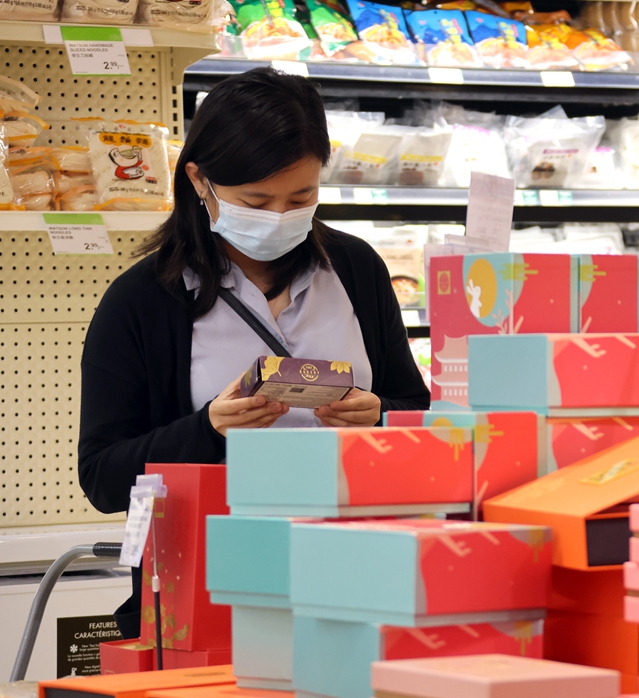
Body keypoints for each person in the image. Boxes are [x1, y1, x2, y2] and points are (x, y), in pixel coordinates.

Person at [78, 68, 431, 639]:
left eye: (301, 197)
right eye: (256, 200)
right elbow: (102, 478)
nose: (279, 217)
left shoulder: (357, 270)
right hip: (210, 591)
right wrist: (207, 428)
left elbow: (420, 415)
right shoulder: (142, 301)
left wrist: (380, 415)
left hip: (357, 576)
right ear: (199, 179)